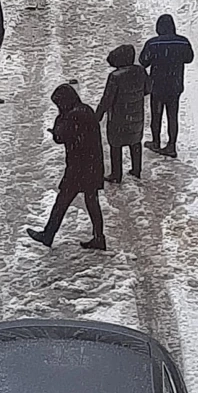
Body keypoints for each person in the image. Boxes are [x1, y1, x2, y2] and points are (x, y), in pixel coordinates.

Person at [27, 84, 106, 250]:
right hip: (93, 164)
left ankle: (48, 235)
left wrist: (57, 125)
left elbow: (60, 137)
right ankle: (99, 237)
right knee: (92, 201)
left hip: (78, 167)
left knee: (62, 201)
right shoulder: (86, 110)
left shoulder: (72, 116)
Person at [139, 14, 194, 158]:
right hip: (175, 85)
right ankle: (171, 145)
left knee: (156, 115)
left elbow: (143, 61)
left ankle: (156, 142)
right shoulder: (183, 42)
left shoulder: (153, 44)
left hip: (157, 86)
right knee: (172, 116)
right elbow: (189, 58)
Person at [96, 44, 151, 183]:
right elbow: (148, 89)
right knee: (135, 141)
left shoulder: (115, 77)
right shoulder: (141, 71)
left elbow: (107, 99)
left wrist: (98, 115)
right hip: (136, 115)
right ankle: (136, 170)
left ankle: (116, 174)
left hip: (118, 117)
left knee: (116, 145)